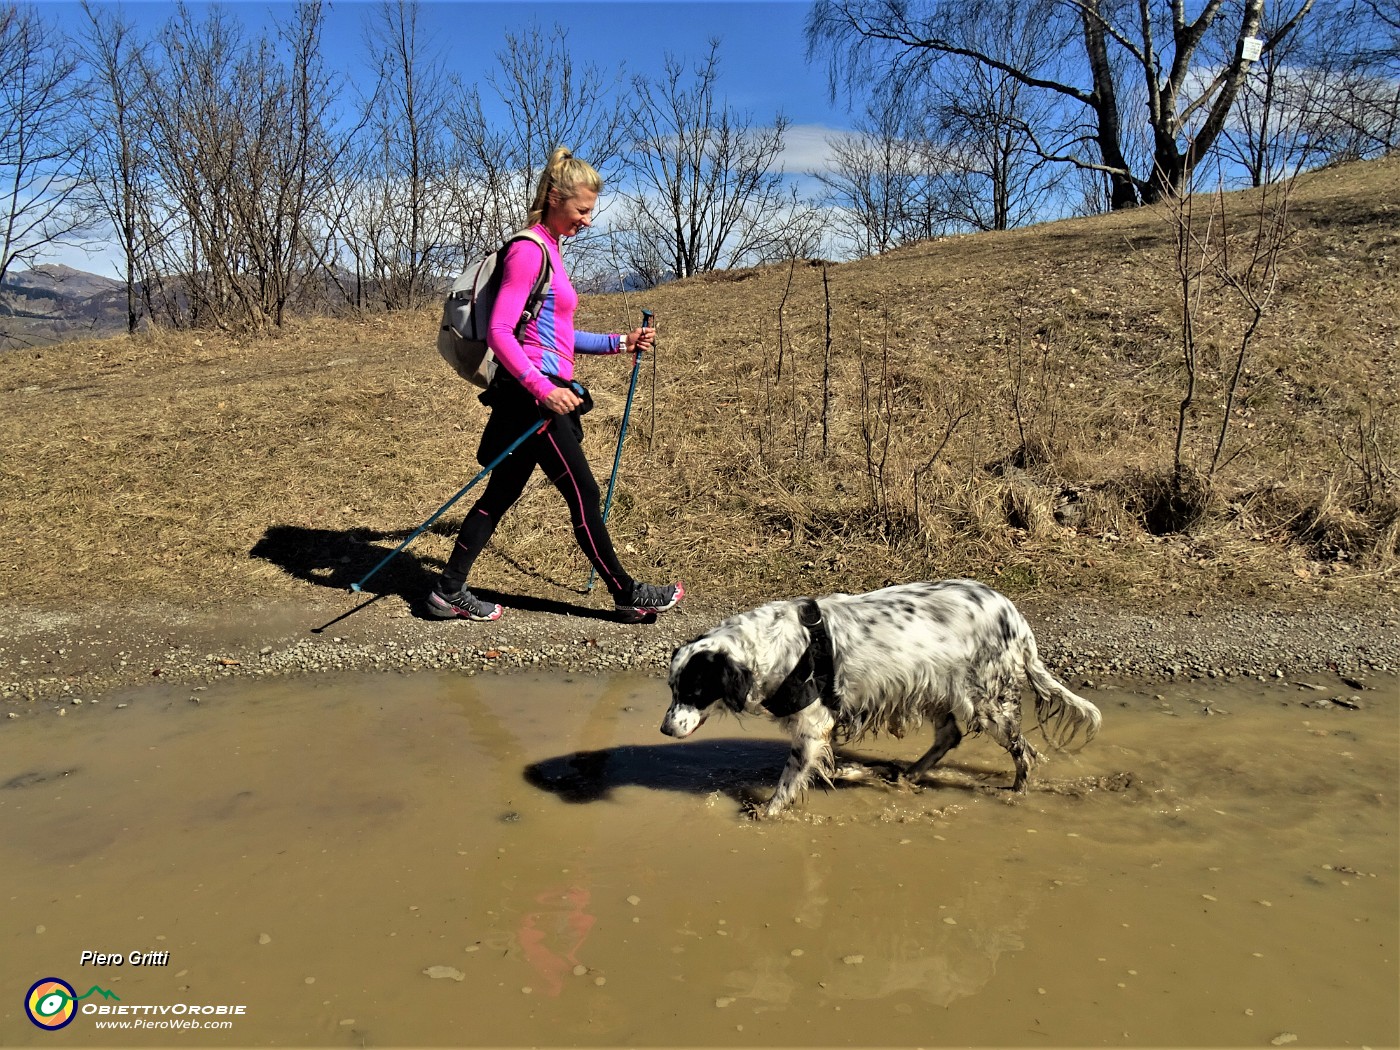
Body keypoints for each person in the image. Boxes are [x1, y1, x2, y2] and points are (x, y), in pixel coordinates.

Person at [428, 148, 684, 623]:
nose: (588, 220)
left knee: (500, 494)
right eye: (582, 210)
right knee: (583, 495)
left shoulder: (552, 251)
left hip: (539, 387)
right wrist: (541, 389)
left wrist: (620, 342)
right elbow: (502, 333)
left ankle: (447, 591)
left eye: (591, 211)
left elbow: (559, 338)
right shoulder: (528, 251)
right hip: (534, 396)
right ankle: (626, 593)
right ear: (553, 197)